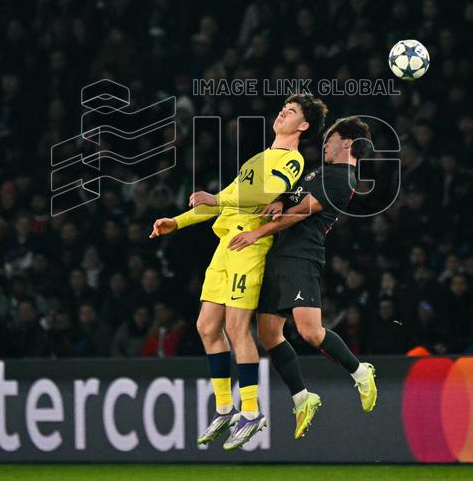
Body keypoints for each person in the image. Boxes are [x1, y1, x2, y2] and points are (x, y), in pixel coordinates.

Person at [149, 94, 325, 450]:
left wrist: (219, 200)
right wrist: (177, 222)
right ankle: (225, 408)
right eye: (283, 108)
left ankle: (251, 411)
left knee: (235, 327)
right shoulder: (259, 157)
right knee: (206, 327)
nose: (282, 112)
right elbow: (224, 197)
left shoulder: (291, 160)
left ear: (303, 126)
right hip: (225, 247)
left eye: (291, 112)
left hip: (249, 247)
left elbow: (266, 194)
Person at [230, 117, 377, 440]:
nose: (324, 144)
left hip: (302, 257)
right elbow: (292, 200)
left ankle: (359, 371)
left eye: (330, 139)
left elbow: (300, 213)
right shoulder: (319, 172)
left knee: (310, 332)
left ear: (347, 144)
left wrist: (258, 232)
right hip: (279, 256)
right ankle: (302, 398)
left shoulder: (344, 178)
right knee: (268, 334)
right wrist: (280, 200)